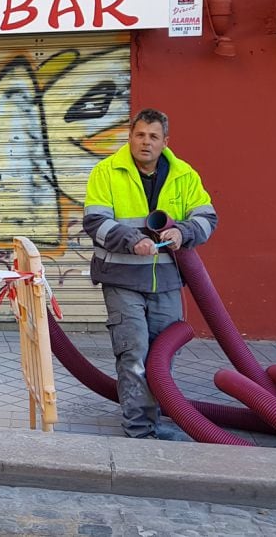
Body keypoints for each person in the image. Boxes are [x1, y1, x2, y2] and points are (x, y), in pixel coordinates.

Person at [83, 108, 217, 439]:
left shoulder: (185, 175)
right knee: (134, 352)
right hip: (122, 279)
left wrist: (183, 232)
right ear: (130, 137)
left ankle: (153, 421)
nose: (146, 142)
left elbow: (208, 218)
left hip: (167, 282)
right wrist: (132, 240)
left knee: (159, 359)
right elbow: (95, 222)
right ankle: (139, 432)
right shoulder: (107, 172)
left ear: (165, 141)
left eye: (153, 136)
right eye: (140, 135)